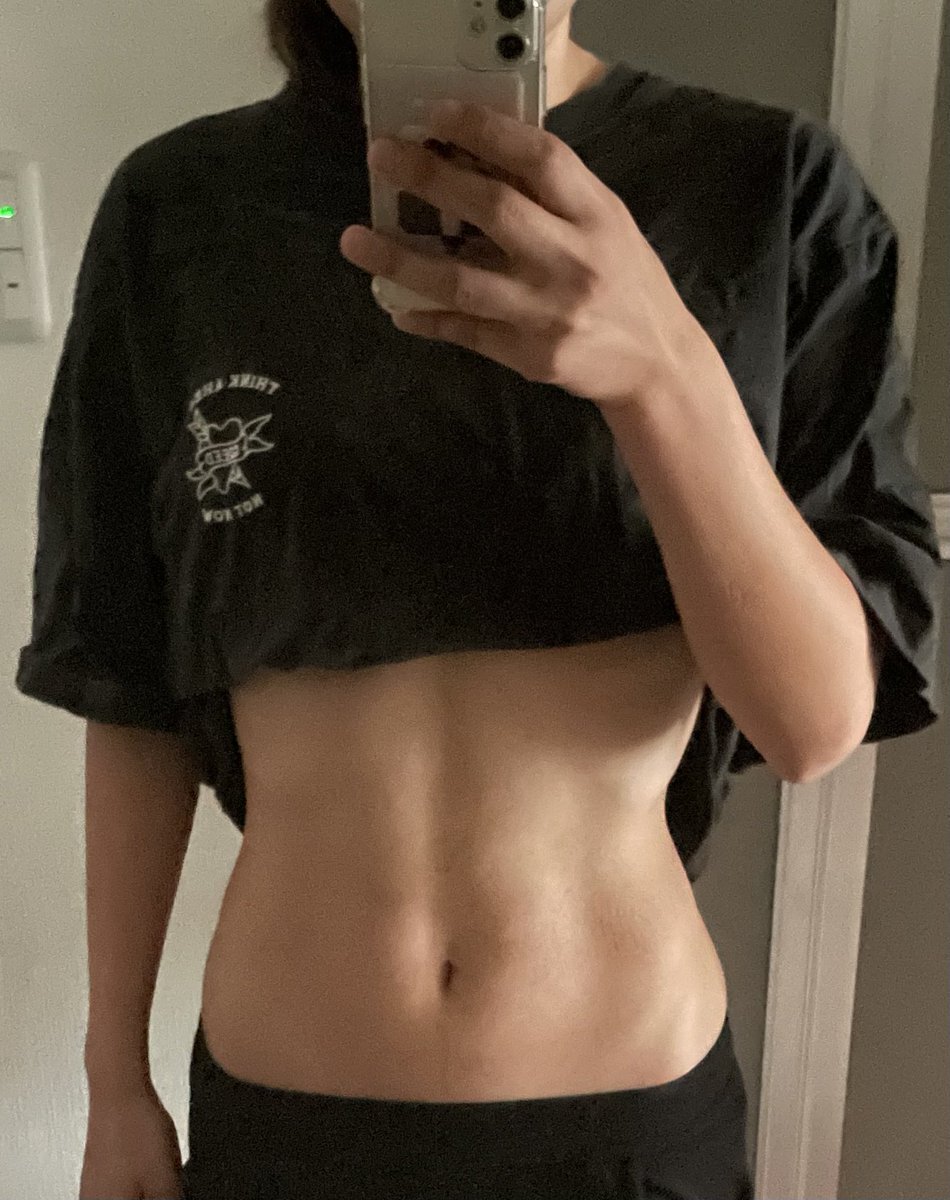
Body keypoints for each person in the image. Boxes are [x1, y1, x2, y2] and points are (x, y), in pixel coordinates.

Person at [15, 0, 943, 1197]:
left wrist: (660, 370)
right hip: (285, 1122)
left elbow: (812, 725)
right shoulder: (179, 209)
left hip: (626, 1124)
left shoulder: (765, 189)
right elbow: (125, 677)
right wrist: (113, 1080)